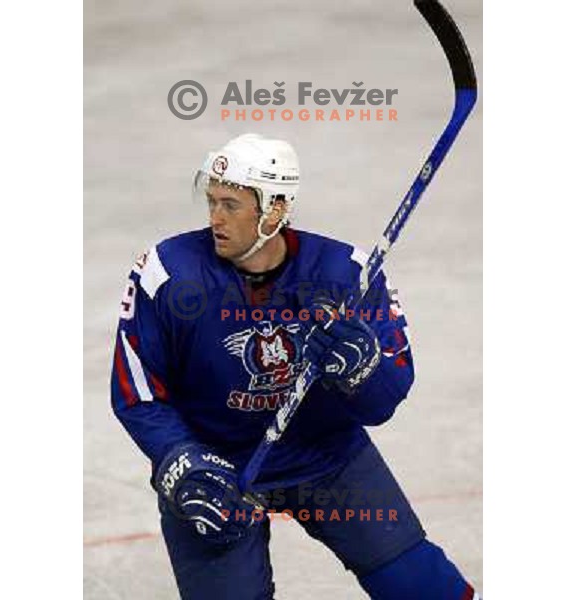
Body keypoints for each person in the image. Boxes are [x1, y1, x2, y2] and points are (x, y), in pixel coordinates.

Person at [111, 133, 479, 599]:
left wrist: (362, 371)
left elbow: (386, 397)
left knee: (419, 584)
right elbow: (137, 391)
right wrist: (178, 460)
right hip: (215, 466)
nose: (214, 218)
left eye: (230, 204)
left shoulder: (347, 273)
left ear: (276, 209)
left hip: (323, 454)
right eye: (211, 201)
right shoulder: (167, 273)